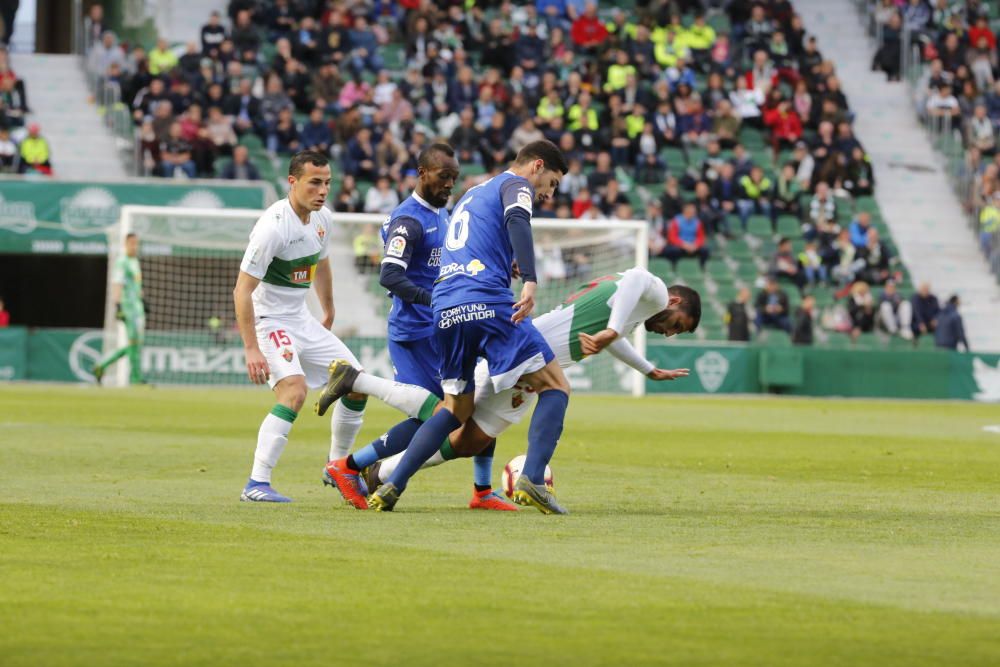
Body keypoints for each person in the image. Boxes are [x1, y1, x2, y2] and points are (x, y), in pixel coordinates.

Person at [320, 140, 570, 513]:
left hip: (447, 312)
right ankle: (532, 479)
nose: (548, 193)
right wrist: (529, 279)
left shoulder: (471, 195)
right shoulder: (515, 186)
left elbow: (468, 246)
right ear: (536, 166)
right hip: (473, 307)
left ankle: (393, 486)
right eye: (550, 183)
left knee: (454, 409)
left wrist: (506, 263)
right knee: (556, 385)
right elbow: (518, 220)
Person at [321, 268, 700, 501]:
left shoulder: (634, 314)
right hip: (532, 347)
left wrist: (647, 369)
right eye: (678, 324)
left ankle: (378, 473)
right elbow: (635, 278)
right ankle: (359, 384)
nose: (670, 332)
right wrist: (613, 328)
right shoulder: (654, 289)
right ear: (676, 300)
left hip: (533, 361)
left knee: (469, 436)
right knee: (452, 409)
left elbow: (616, 337)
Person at [322, 144, 475, 510]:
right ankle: (352, 466)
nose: (449, 184)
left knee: (457, 410)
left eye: (453, 178)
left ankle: (360, 467)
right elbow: (390, 275)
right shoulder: (409, 220)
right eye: (443, 177)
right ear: (421, 173)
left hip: (438, 330)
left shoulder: (442, 213)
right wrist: (432, 300)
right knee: (443, 413)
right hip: (414, 332)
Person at [233, 151, 368, 503]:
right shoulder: (273, 228)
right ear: (292, 182)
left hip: (301, 318)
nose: (323, 191)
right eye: (314, 183)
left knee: (356, 382)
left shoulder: (323, 219)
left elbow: (321, 265)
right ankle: (256, 484)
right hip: (269, 320)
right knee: (293, 393)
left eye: (327, 183)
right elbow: (242, 290)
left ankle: (335, 466)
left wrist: (328, 306)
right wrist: (250, 347)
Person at [92, 233, 146, 385]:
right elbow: (117, 284)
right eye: (132, 243)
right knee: (134, 343)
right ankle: (136, 379)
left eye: (136, 243)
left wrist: (143, 299)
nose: (134, 246)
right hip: (128, 308)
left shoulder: (134, 261)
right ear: (125, 244)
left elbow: (135, 284)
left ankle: (101, 366)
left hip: (138, 308)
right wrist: (118, 305)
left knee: (135, 344)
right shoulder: (122, 262)